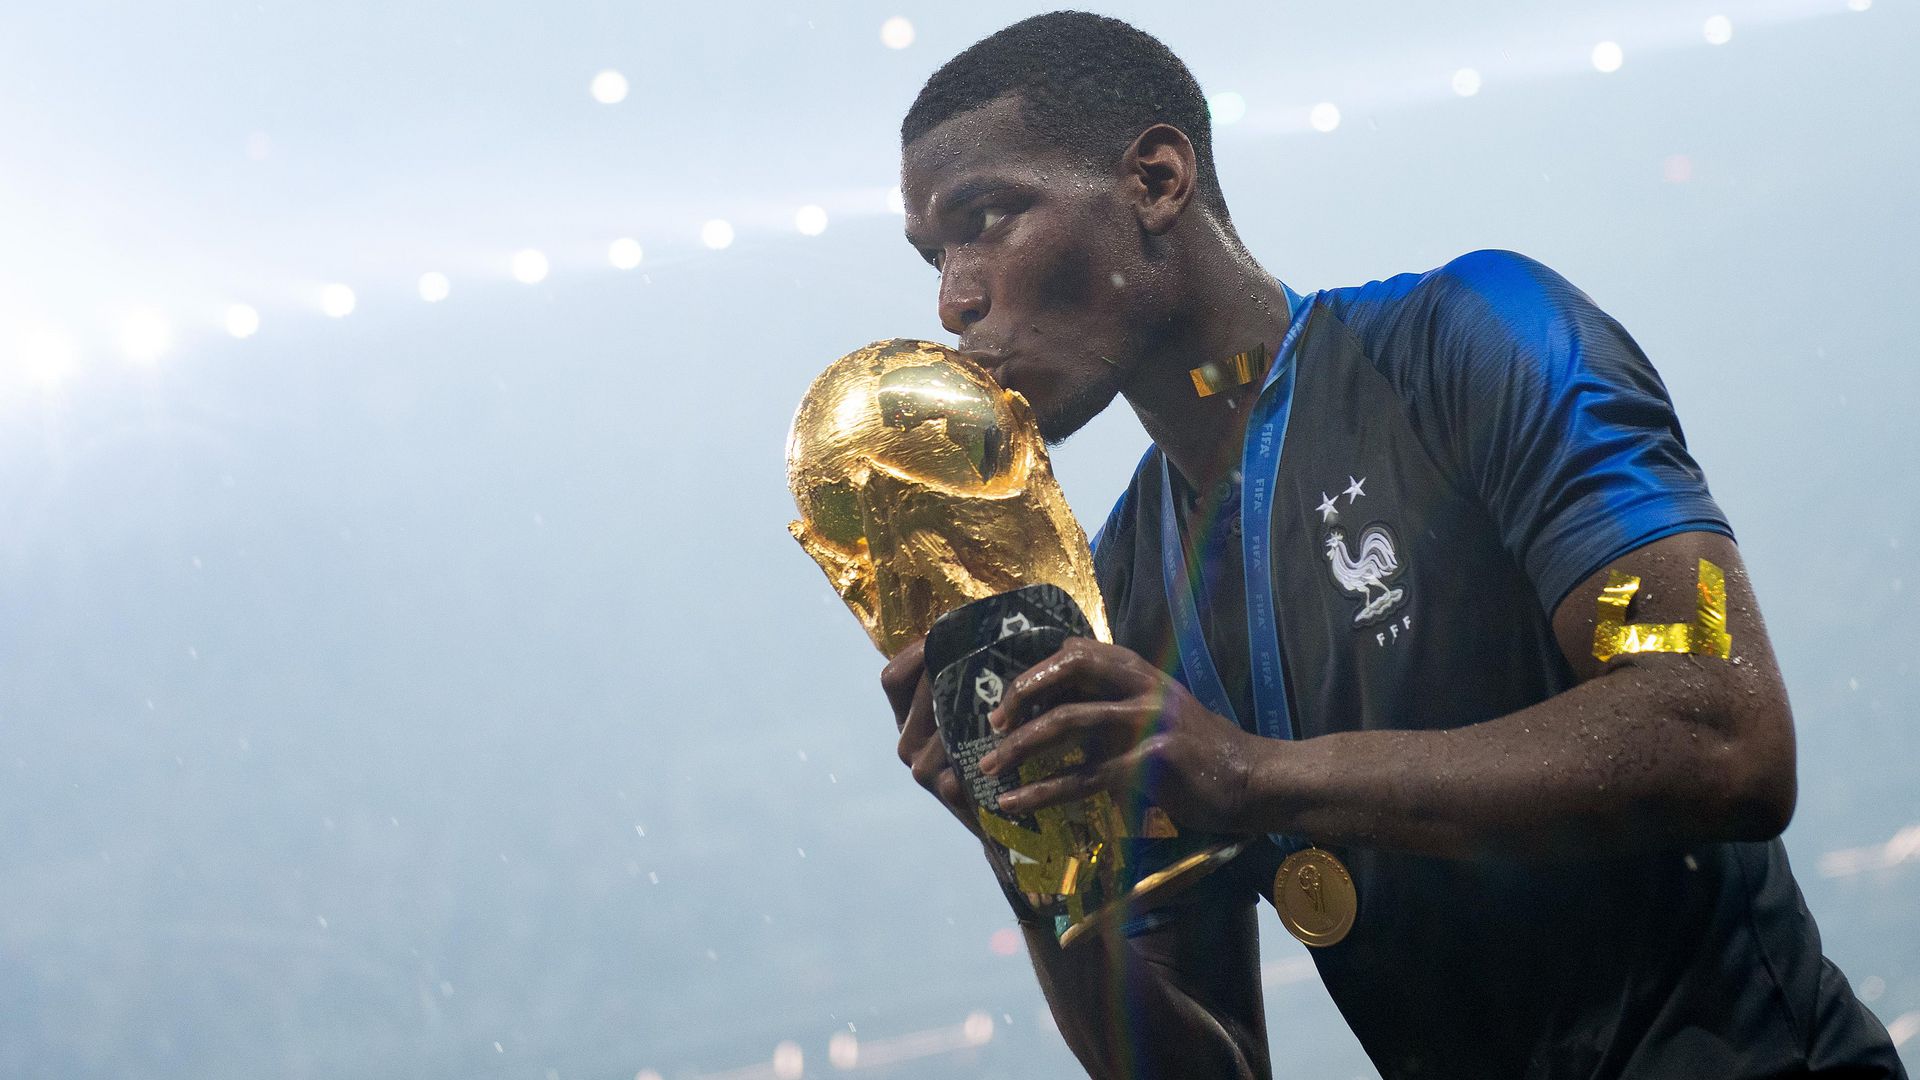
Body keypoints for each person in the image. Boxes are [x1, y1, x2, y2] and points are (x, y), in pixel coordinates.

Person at [877, 11, 1907, 1080]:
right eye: (935, 256)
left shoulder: (1479, 340)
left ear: (1157, 180)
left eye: (985, 220)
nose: (954, 300)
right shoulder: (1124, 600)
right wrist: (1029, 851)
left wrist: (1255, 777)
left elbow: (1719, 729)